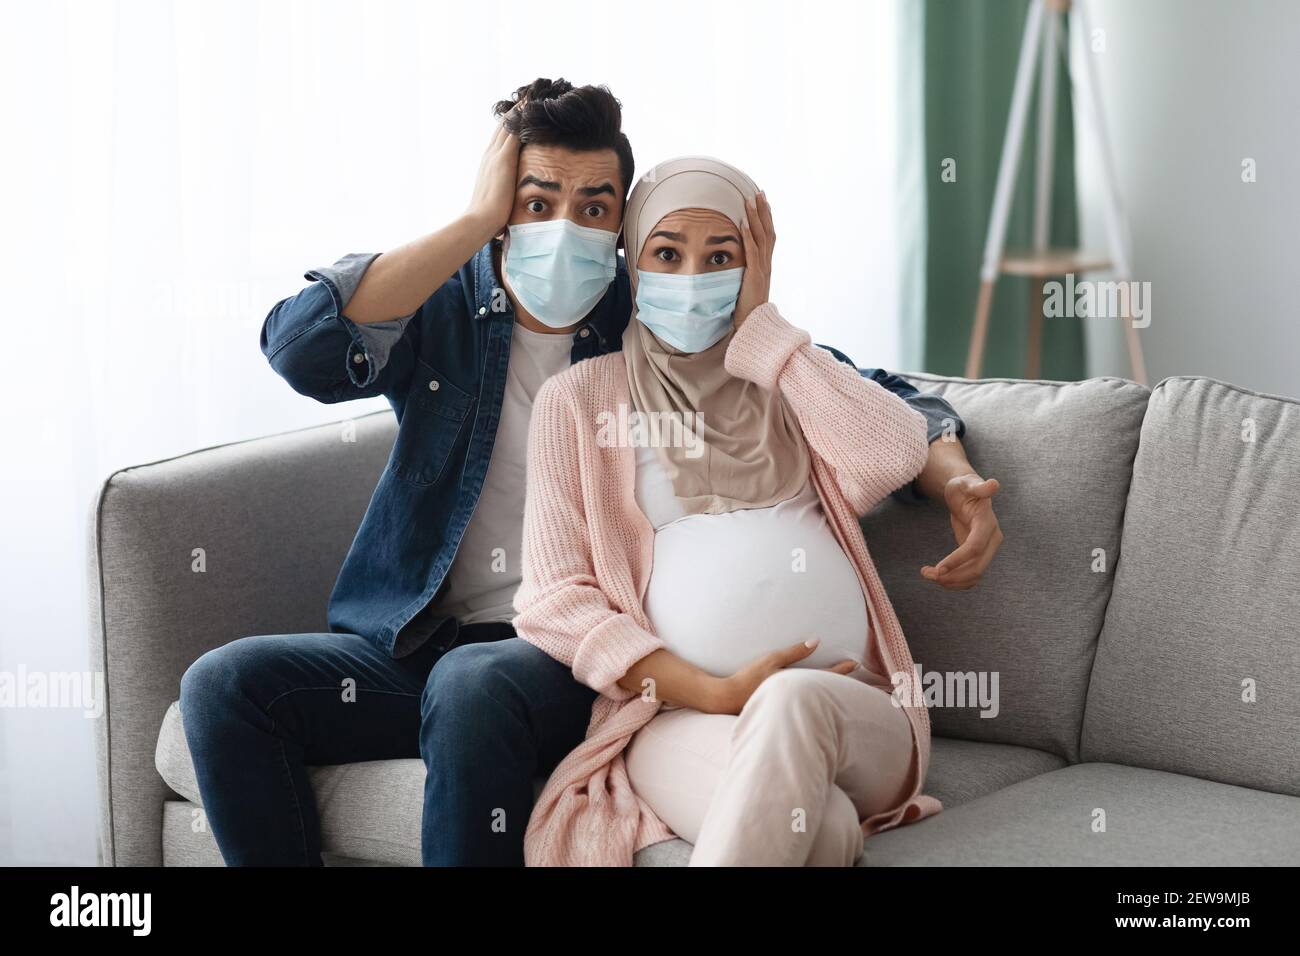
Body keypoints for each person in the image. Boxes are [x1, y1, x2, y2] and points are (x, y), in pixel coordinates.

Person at [179, 79, 998, 867]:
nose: (566, 230)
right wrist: (472, 221)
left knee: (474, 685)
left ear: (623, 228)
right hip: (420, 638)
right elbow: (301, 349)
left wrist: (955, 476)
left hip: (569, 657)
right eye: (538, 203)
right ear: (505, 211)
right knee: (224, 686)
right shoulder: (442, 307)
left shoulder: (651, 311)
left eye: (595, 209)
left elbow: (880, 400)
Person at [514, 156, 966, 866]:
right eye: (668, 254)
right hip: (680, 721)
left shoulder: (788, 383)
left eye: (720, 256)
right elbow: (554, 600)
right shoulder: (579, 401)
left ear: (755, 265)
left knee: (793, 701)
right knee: (822, 830)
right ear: (634, 261)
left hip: (857, 711)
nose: (693, 279)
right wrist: (711, 690)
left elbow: (892, 452)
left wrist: (766, 333)